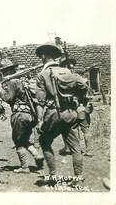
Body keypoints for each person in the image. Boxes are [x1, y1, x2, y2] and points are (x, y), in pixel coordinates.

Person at [34, 42, 88, 185]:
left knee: (44, 141)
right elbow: (84, 86)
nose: (41, 58)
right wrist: (76, 98)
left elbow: (40, 101)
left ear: (44, 56)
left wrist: (39, 121)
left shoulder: (42, 75)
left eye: (41, 57)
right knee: (75, 146)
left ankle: (53, 175)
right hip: (70, 113)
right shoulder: (68, 72)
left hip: (54, 114)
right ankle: (78, 177)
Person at [0, 58, 44, 173]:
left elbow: (8, 98)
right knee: (24, 138)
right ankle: (37, 155)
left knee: (18, 141)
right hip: (29, 115)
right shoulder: (22, 81)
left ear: (6, 72)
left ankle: (24, 167)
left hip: (19, 115)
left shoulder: (12, 82)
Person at [58, 58, 94, 157]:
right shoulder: (77, 77)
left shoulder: (61, 79)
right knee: (84, 129)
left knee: (67, 129)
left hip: (72, 108)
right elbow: (86, 88)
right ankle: (88, 150)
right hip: (79, 107)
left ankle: (70, 147)